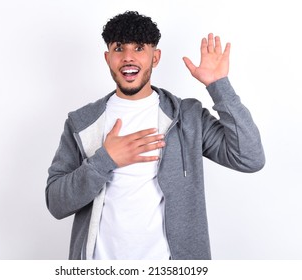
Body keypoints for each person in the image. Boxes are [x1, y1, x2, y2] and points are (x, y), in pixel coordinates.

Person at [46, 11, 265, 260]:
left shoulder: (188, 116)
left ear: (156, 57)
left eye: (139, 48)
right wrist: (104, 160)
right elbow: (56, 203)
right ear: (108, 58)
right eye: (119, 48)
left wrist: (219, 86)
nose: (128, 57)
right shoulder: (81, 122)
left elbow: (250, 158)